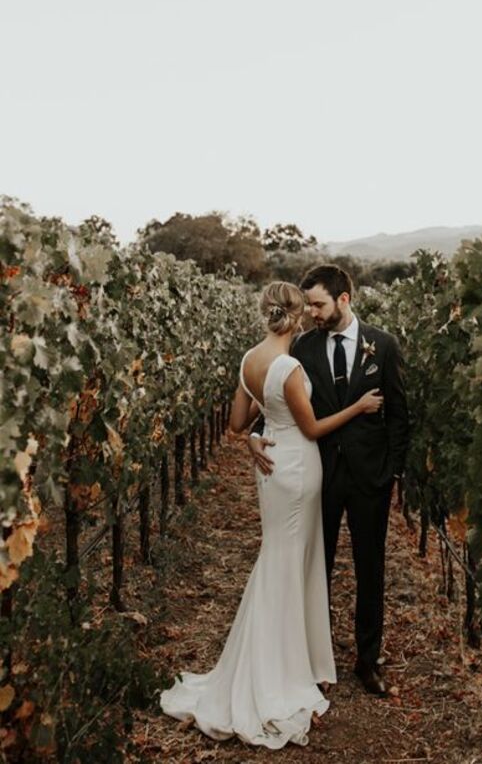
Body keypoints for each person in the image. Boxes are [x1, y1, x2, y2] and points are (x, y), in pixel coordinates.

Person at [159, 280, 384, 749]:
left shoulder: (249, 361)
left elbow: (238, 425)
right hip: (299, 467)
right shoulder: (290, 366)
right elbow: (313, 426)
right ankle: (283, 669)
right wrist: (359, 407)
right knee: (292, 562)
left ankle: (284, 658)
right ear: (298, 315)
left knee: (279, 558)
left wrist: (258, 437)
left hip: (271, 471)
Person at [247, 264, 410, 697]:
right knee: (314, 566)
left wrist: (391, 473)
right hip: (316, 475)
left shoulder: (385, 345)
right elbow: (275, 403)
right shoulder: (300, 348)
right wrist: (255, 435)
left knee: (369, 569)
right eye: (309, 305)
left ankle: (367, 661)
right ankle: (308, 658)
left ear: (344, 299)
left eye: (318, 304)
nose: (312, 313)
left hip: (369, 479)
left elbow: (400, 415)